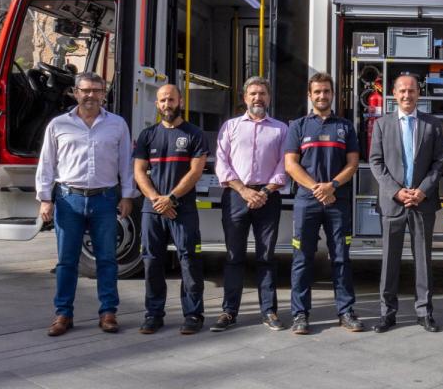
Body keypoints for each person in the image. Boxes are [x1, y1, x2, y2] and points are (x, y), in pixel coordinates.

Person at [36, 72, 134, 337]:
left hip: (104, 199)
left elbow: (126, 163)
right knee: (67, 261)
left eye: (96, 90)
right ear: (75, 92)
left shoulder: (117, 125)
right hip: (69, 199)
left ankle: (108, 312)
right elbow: (47, 163)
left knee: (107, 259)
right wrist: (45, 198)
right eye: (85, 90)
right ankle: (63, 314)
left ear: (104, 93)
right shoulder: (58, 125)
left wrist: (127, 196)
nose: (90, 95)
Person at [284, 72, 364, 334]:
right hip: (307, 201)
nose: (321, 96)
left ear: (332, 94)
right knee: (302, 258)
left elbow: (353, 164)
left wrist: (333, 186)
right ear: (310, 95)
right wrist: (317, 188)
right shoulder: (298, 126)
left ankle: (346, 311)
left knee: (341, 258)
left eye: (326, 91)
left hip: (337, 200)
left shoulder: (345, 127)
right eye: (317, 92)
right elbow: (290, 164)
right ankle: (300, 314)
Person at [210, 76, 289, 333]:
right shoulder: (230, 127)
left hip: (268, 197)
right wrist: (243, 190)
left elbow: (284, 165)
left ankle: (269, 311)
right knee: (234, 256)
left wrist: (265, 190)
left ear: (269, 97)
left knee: (266, 256)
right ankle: (228, 311)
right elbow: (222, 163)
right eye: (253, 93)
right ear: (245, 98)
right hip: (236, 197)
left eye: (262, 93)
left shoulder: (280, 129)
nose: (258, 98)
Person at [368, 74, 443, 333]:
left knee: (423, 260)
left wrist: (422, 191)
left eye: (411, 91)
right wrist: (396, 191)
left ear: (418, 93)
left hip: (422, 202)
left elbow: (438, 163)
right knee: (389, 260)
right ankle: (387, 313)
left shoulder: (433, 125)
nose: (407, 95)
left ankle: (424, 313)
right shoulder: (382, 124)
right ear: (394, 93)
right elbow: (376, 162)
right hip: (393, 203)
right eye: (402, 91)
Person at [133, 84, 210, 335]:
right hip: (152, 209)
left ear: (180, 101)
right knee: (152, 261)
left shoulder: (194, 134)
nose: (168, 104)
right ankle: (153, 314)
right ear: (157, 104)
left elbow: (196, 171)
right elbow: (139, 171)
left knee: (189, 260)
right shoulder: (147, 135)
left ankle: (193, 315)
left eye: (172, 99)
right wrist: (157, 199)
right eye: (163, 100)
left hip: (183, 208)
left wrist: (172, 199)